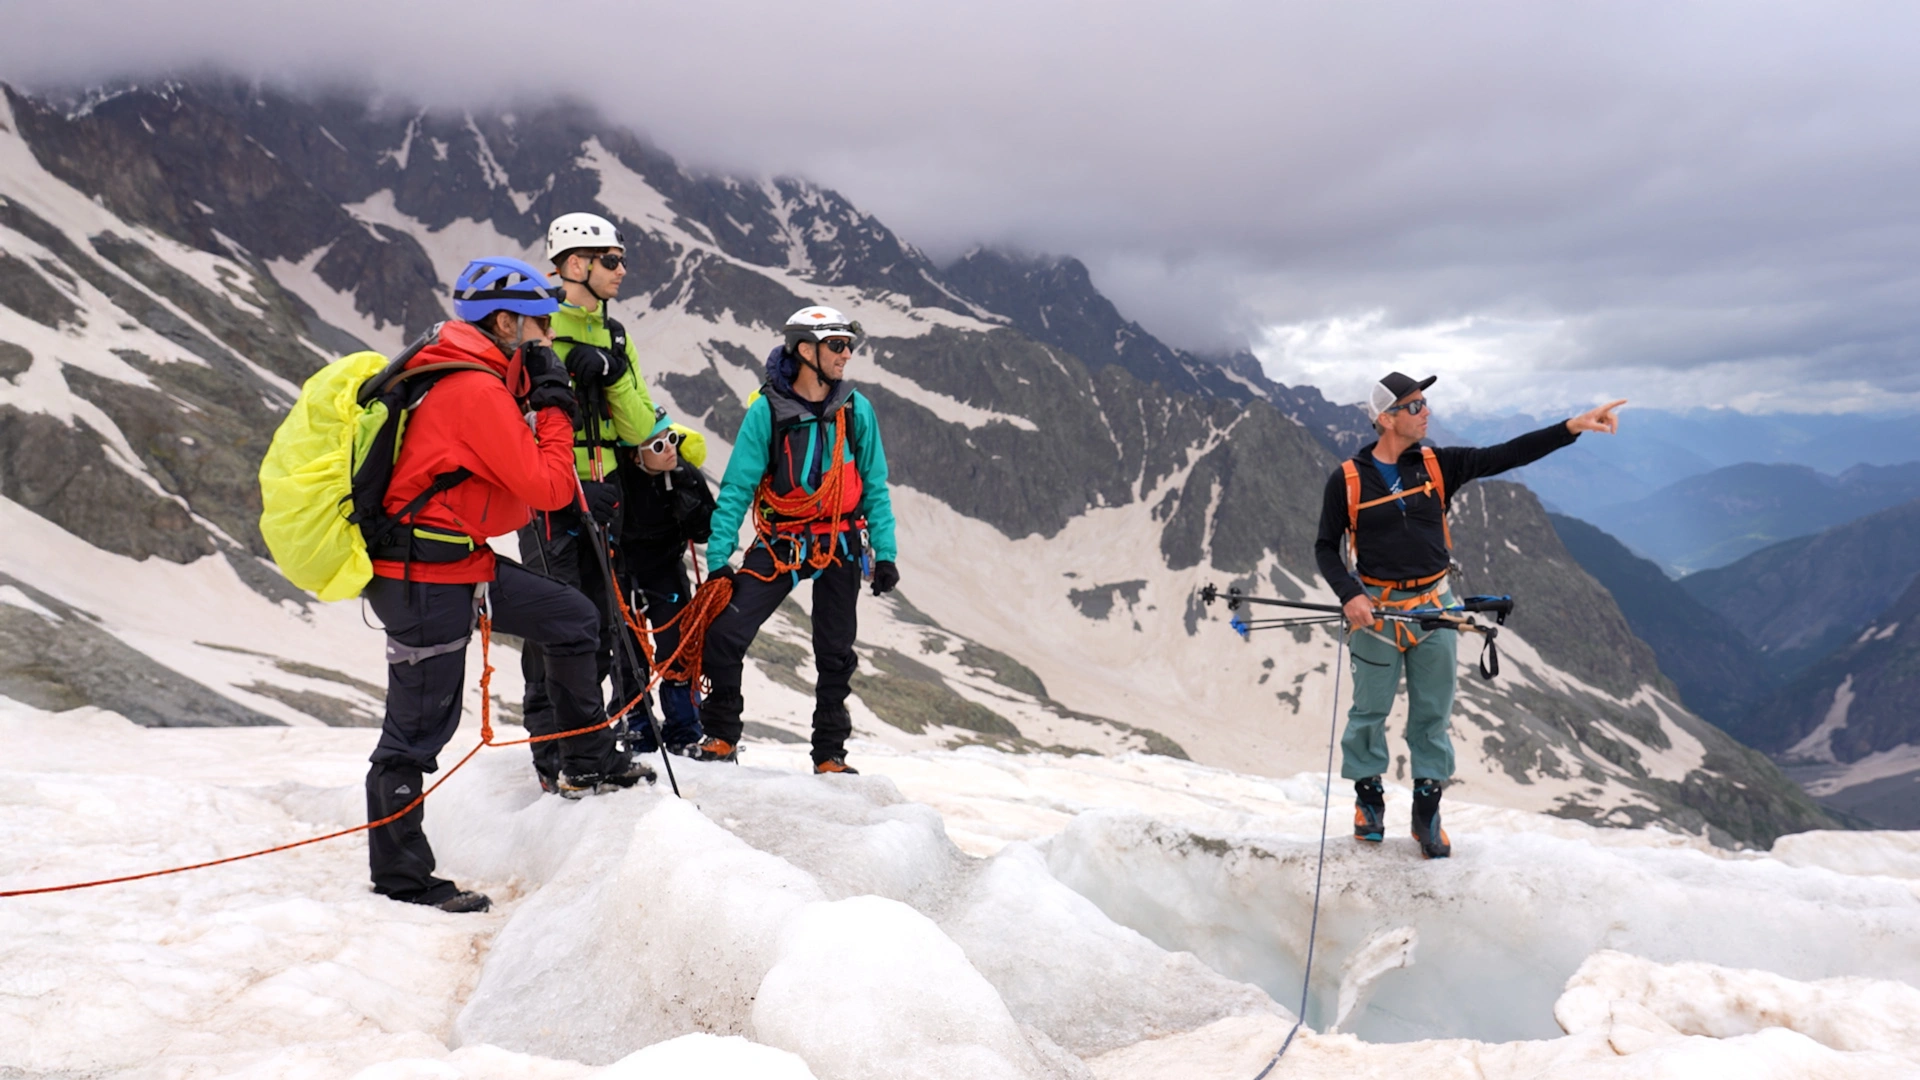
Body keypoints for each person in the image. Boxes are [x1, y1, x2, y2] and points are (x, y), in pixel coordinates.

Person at [363, 256, 653, 913]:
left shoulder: (471, 374)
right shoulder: (471, 388)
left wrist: (578, 486)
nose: (547, 336)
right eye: (539, 323)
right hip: (426, 576)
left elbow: (512, 482)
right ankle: (402, 880)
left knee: (571, 618)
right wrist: (554, 405)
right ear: (504, 321)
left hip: (455, 564)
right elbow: (544, 485)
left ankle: (586, 757)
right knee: (414, 734)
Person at [1312, 372, 1624, 859]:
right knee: (1368, 711)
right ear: (1386, 419)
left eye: (1424, 403)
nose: (1426, 411)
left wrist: (1572, 427)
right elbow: (1326, 547)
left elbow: (1506, 454)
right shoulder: (1348, 480)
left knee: (1432, 716)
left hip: (1437, 607)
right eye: (1415, 406)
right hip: (1377, 612)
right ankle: (1368, 802)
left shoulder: (1439, 465)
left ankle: (1426, 811)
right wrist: (1349, 593)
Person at [689, 305, 900, 774]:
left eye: (849, 345)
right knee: (725, 633)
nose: (847, 355)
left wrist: (884, 553)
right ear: (806, 350)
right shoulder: (767, 411)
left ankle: (830, 754)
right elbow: (738, 489)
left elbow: (875, 485)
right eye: (838, 346)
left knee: (835, 651)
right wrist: (720, 558)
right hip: (782, 541)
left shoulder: (856, 409)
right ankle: (721, 734)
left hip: (840, 541)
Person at [517, 212, 679, 792]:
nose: (622, 270)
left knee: (603, 625)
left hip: (603, 495)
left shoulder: (615, 335)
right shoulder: (534, 324)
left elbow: (637, 426)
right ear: (575, 264)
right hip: (546, 495)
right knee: (552, 624)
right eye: (611, 260)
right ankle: (551, 755)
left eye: (621, 259)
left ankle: (593, 752)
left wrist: (610, 374)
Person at [613, 421, 717, 755]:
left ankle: (684, 728)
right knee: (627, 648)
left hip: (665, 565)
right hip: (623, 566)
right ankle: (637, 725)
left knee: (677, 645)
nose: (670, 448)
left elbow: (706, 530)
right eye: (658, 446)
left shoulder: (684, 474)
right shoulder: (618, 477)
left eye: (671, 440)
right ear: (635, 455)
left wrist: (693, 510)